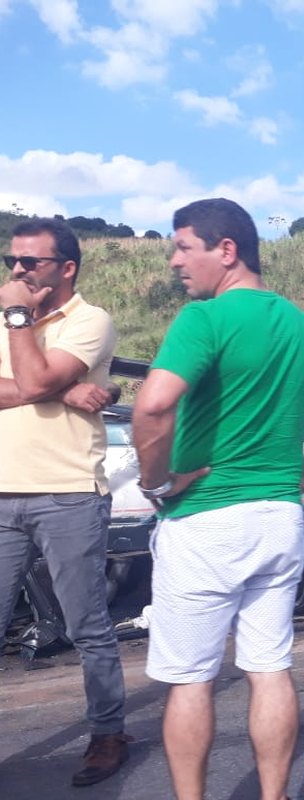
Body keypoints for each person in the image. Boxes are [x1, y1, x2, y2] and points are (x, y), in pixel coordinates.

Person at [132, 198, 304, 800]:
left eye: (184, 246)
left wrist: (156, 484)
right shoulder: (300, 323)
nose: (175, 260)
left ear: (225, 250)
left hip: (206, 521)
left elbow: (152, 406)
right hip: (278, 520)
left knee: (190, 681)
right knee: (269, 665)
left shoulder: (203, 320)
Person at [0, 218, 129, 787]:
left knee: (86, 627)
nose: (18, 272)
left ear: (67, 267)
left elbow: (28, 381)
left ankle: (108, 733)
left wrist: (19, 321)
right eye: (12, 263)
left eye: (31, 262)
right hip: (2, 492)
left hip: (69, 494)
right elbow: (31, 384)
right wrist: (62, 387)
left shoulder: (90, 321)